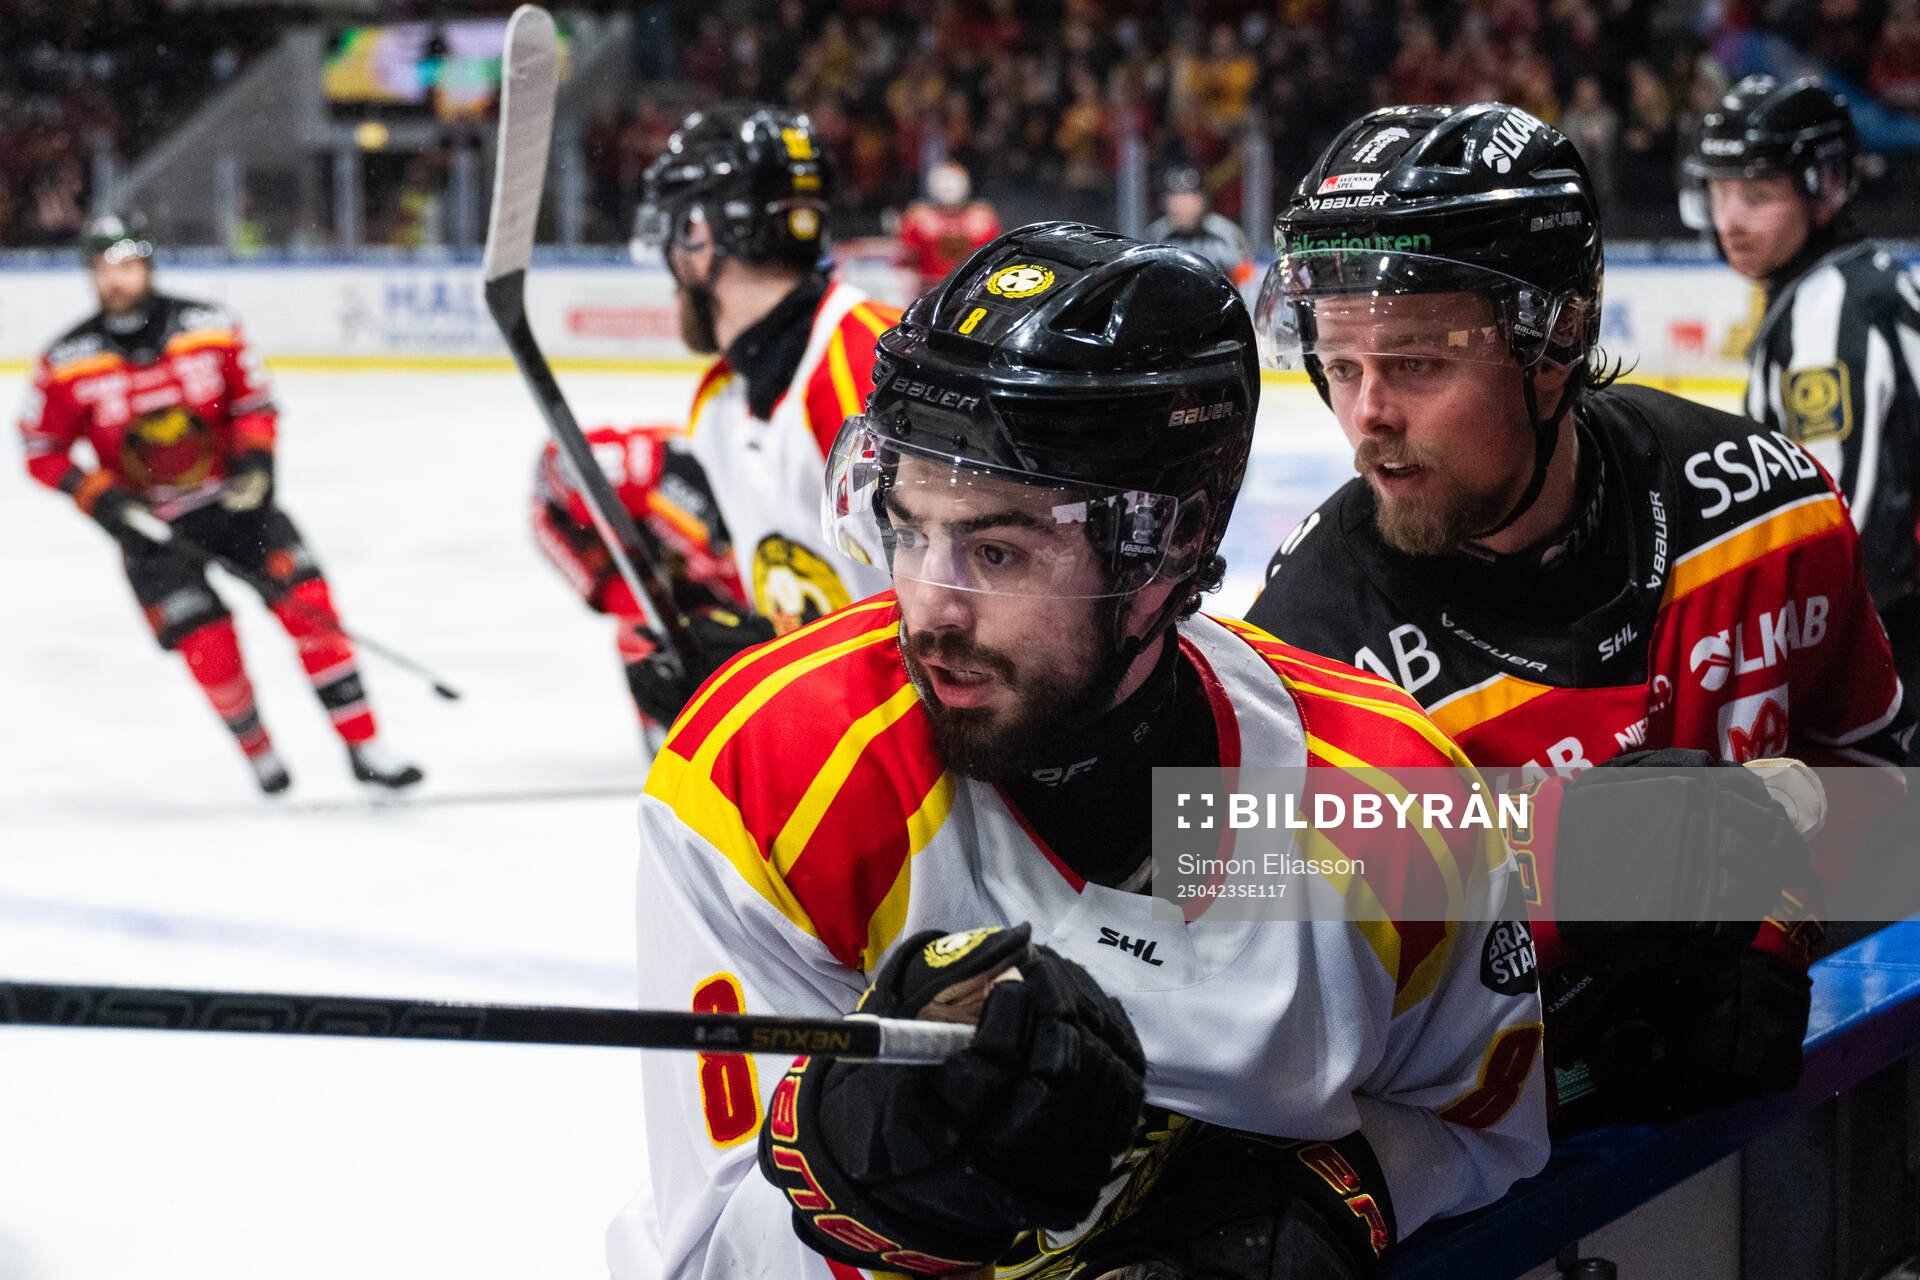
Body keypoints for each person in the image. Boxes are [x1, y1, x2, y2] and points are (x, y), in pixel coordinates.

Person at [608, 223, 1548, 1280]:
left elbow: (1488, 1122)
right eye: (910, 528)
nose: (930, 607)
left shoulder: (1379, 793)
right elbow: (703, 1258)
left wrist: (1326, 1198)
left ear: (1174, 540)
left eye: (998, 549)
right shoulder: (767, 773)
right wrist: (856, 1166)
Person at [1245, 103, 1912, 1127]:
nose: (1366, 415)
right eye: (1340, 364)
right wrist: (1558, 868)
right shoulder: (1302, 643)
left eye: (1416, 363)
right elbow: (1208, 883)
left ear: (1554, 341)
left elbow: (1892, 820)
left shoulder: (1767, 510)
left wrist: (1779, 930)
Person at [15, 214, 423, 795]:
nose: (118, 282)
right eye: (105, 271)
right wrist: (103, 502)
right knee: (210, 648)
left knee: (312, 610)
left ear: (148, 267)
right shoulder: (66, 360)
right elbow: (40, 448)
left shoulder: (209, 326)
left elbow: (253, 402)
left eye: (128, 267)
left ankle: (366, 748)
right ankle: (259, 754)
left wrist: (256, 467)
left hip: (236, 508)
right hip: (150, 531)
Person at [628, 103, 901, 726]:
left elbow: (973, 623)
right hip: (857, 748)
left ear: (700, 235)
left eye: (674, 233)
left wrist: (764, 661)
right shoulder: (722, 397)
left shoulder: (863, 370)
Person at [1681, 74, 1920, 693]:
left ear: (1828, 188)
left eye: (1757, 194)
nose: (1729, 219)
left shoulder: (1832, 308)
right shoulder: (1851, 283)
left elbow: (1844, 526)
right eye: (1718, 191)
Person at [529, 422, 746, 734]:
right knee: (641, 636)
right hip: (680, 583)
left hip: (723, 540)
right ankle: (670, 729)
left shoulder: (657, 465)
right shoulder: (553, 522)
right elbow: (615, 597)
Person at [896, 159, 1002, 294]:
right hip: (928, 290)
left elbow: (994, 259)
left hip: (971, 290)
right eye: (943, 181)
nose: (947, 186)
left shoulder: (982, 217)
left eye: (952, 181)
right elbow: (906, 260)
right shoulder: (918, 217)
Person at [1144, 165, 1254, 283]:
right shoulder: (1155, 236)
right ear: (1165, 203)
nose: (1183, 207)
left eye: (1190, 199)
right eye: (1177, 200)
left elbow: (1246, 280)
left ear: (1203, 201)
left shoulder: (1226, 234)